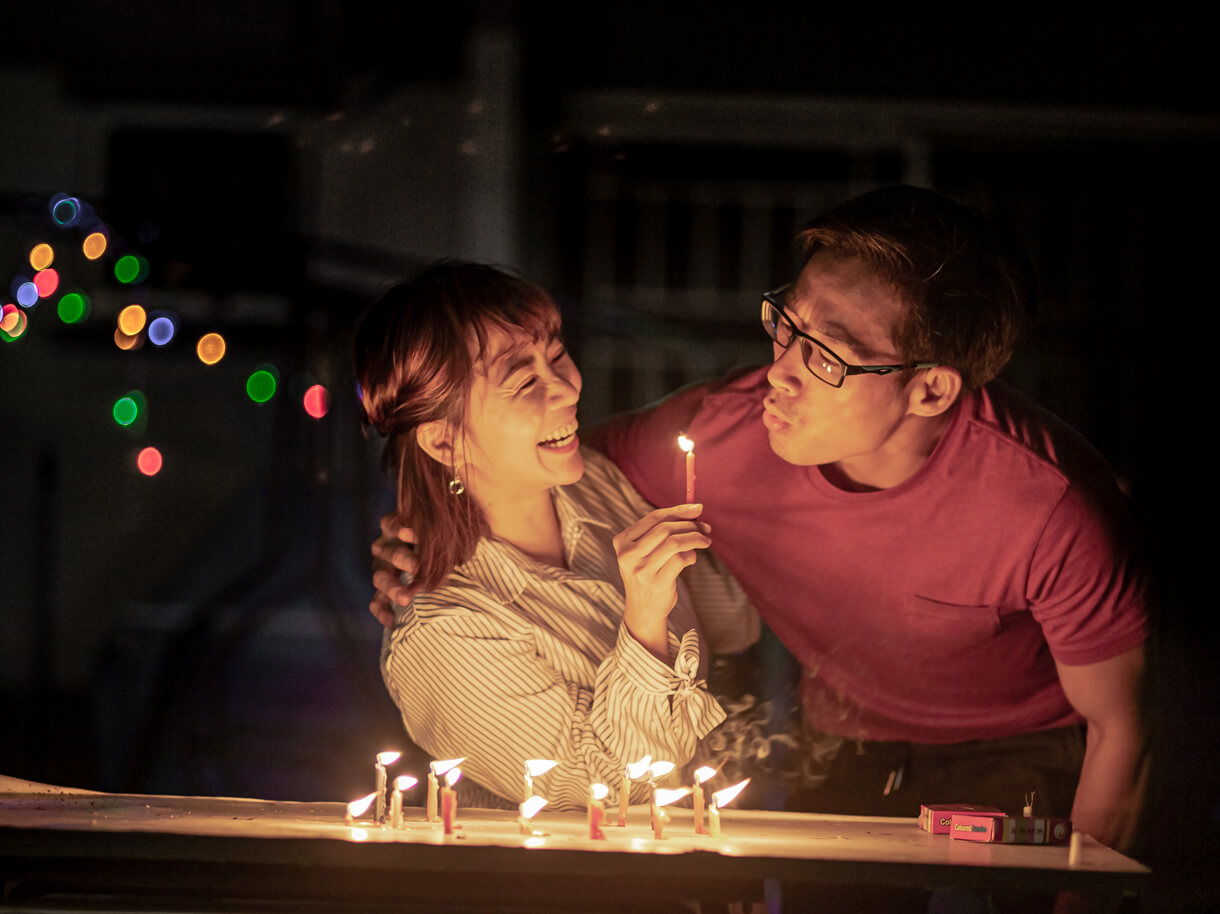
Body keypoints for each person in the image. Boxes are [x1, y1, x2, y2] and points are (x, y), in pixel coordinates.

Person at [370, 187, 1150, 854]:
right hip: (829, 745)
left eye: (828, 356)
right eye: (786, 323)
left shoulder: (1048, 503)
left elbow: (1124, 732)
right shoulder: (717, 435)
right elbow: (508, 472)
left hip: (1019, 740)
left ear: (932, 391)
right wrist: (420, 533)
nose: (777, 370)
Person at [354, 262, 758, 810]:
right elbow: (617, 791)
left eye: (558, 354)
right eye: (523, 380)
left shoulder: (591, 482)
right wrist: (643, 623)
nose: (568, 388)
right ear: (445, 441)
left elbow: (732, 621)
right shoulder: (444, 632)